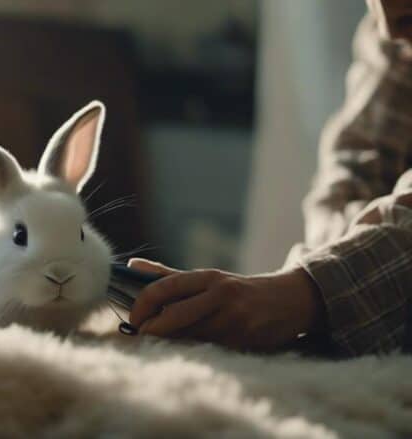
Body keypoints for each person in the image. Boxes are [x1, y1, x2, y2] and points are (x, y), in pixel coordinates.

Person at [129, 0, 412, 357]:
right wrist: (302, 290)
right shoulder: (393, 36)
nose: (387, 27)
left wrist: (305, 295)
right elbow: (352, 173)